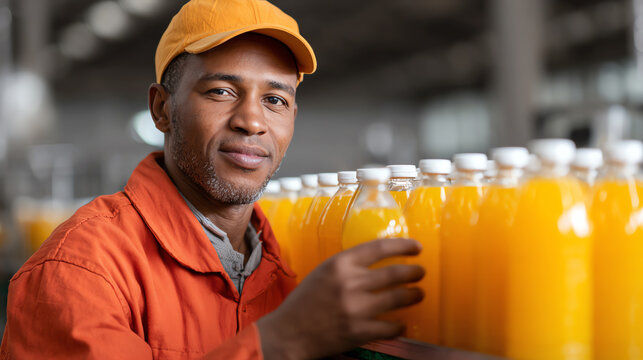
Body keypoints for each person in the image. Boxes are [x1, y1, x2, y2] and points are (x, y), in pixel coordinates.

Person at [0, 0, 424, 359]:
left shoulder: (296, 266)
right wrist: (281, 340)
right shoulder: (82, 270)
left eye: (275, 100)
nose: (253, 121)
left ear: (292, 118)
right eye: (221, 91)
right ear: (162, 109)